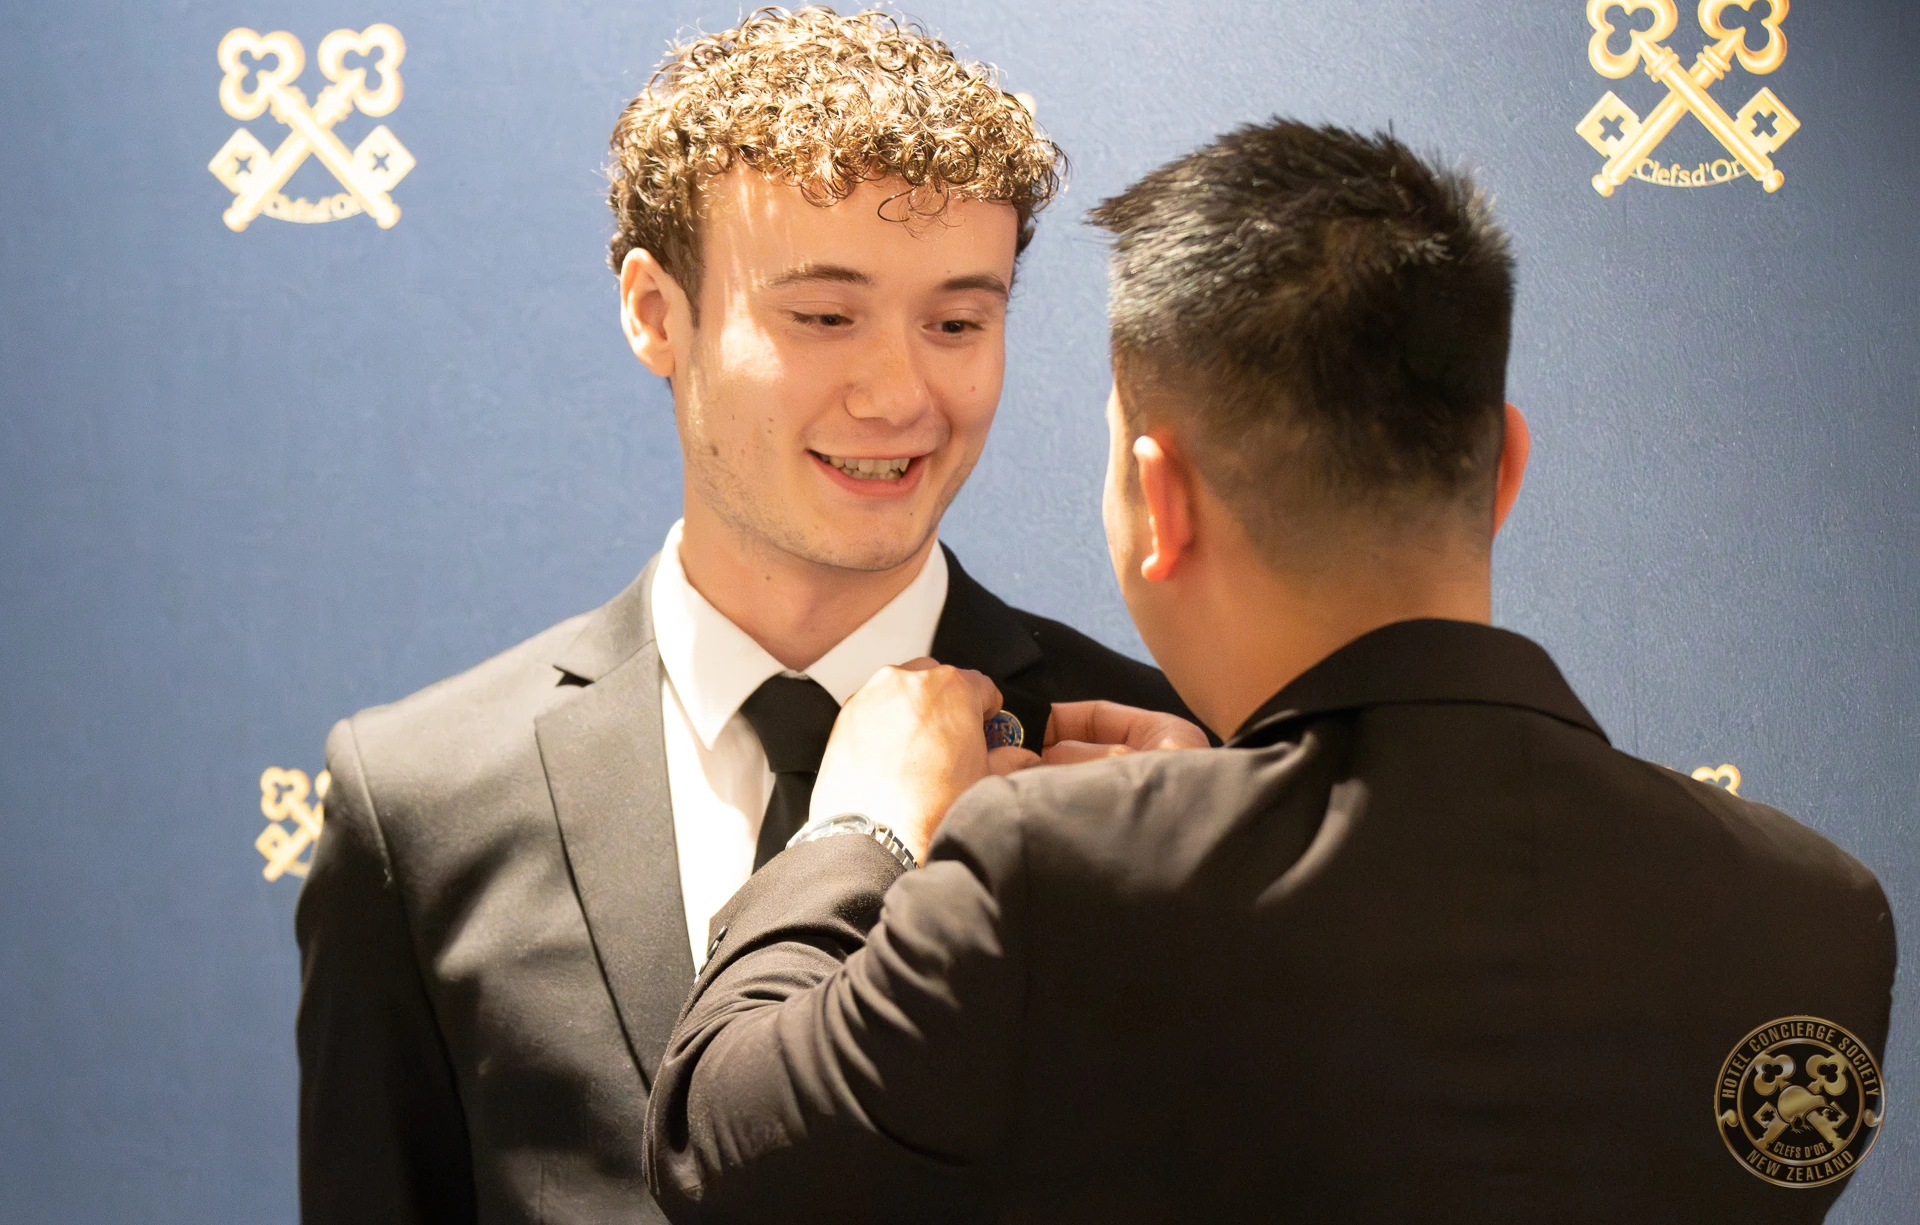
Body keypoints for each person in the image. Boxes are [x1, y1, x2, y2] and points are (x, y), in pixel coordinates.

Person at [643, 121, 1897, 1222]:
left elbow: (717, 1137)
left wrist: (861, 827)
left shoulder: (1045, 867)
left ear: (1161, 500)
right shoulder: (1821, 918)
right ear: (1507, 467)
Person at [295, 7, 1197, 1225]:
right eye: (823, 316)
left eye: (957, 322)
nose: (899, 393)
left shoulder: (1163, 769)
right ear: (655, 312)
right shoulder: (424, 798)